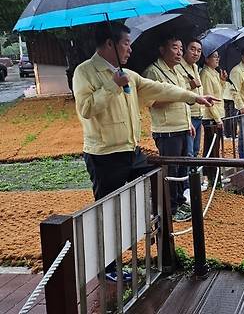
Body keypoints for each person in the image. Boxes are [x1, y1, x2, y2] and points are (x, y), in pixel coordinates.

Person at [72, 22, 217, 281]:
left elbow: (160, 89)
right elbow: (86, 109)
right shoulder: (86, 73)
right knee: (108, 210)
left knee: (159, 179)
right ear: (109, 45)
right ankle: (108, 268)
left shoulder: (128, 73)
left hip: (131, 151)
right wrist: (113, 85)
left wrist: (194, 97)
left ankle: (160, 241)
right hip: (104, 155)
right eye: (125, 44)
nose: (130, 49)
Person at [143, 35, 198, 222]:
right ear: (162, 49)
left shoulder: (178, 71)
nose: (179, 52)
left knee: (182, 169)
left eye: (181, 48)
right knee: (171, 171)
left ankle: (180, 200)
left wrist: (188, 122)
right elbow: (151, 102)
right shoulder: (153, 72)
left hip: (182, 127)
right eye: (175, 48)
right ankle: (170, 208)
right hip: (167, 130)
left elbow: (183, 102)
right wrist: (176, 95)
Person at [199, 50, 229, 186]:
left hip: (217, 113)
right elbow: (209, 99)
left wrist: (222, 81)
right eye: (214, 57)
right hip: (211, 116)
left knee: (215, 147)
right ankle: (209, 176)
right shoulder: (205, 74)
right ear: (206, 59)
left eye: (218, 56)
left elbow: (219, 95)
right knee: (211, 148)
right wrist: (217, 118)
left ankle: (215, 175)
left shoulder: (215, 73)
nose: (217, 59)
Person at [178, 39, 204, 161]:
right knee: (188, 154)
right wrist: (191, 86)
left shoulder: (195, 67)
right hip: (188, 116)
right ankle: (187, 179)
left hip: (199, 114)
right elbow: (177, 91)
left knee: (195, 150)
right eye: (192, 49)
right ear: (185, 50)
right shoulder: (178, 67)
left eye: (199, 51)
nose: (196, 53)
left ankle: (194, 178)